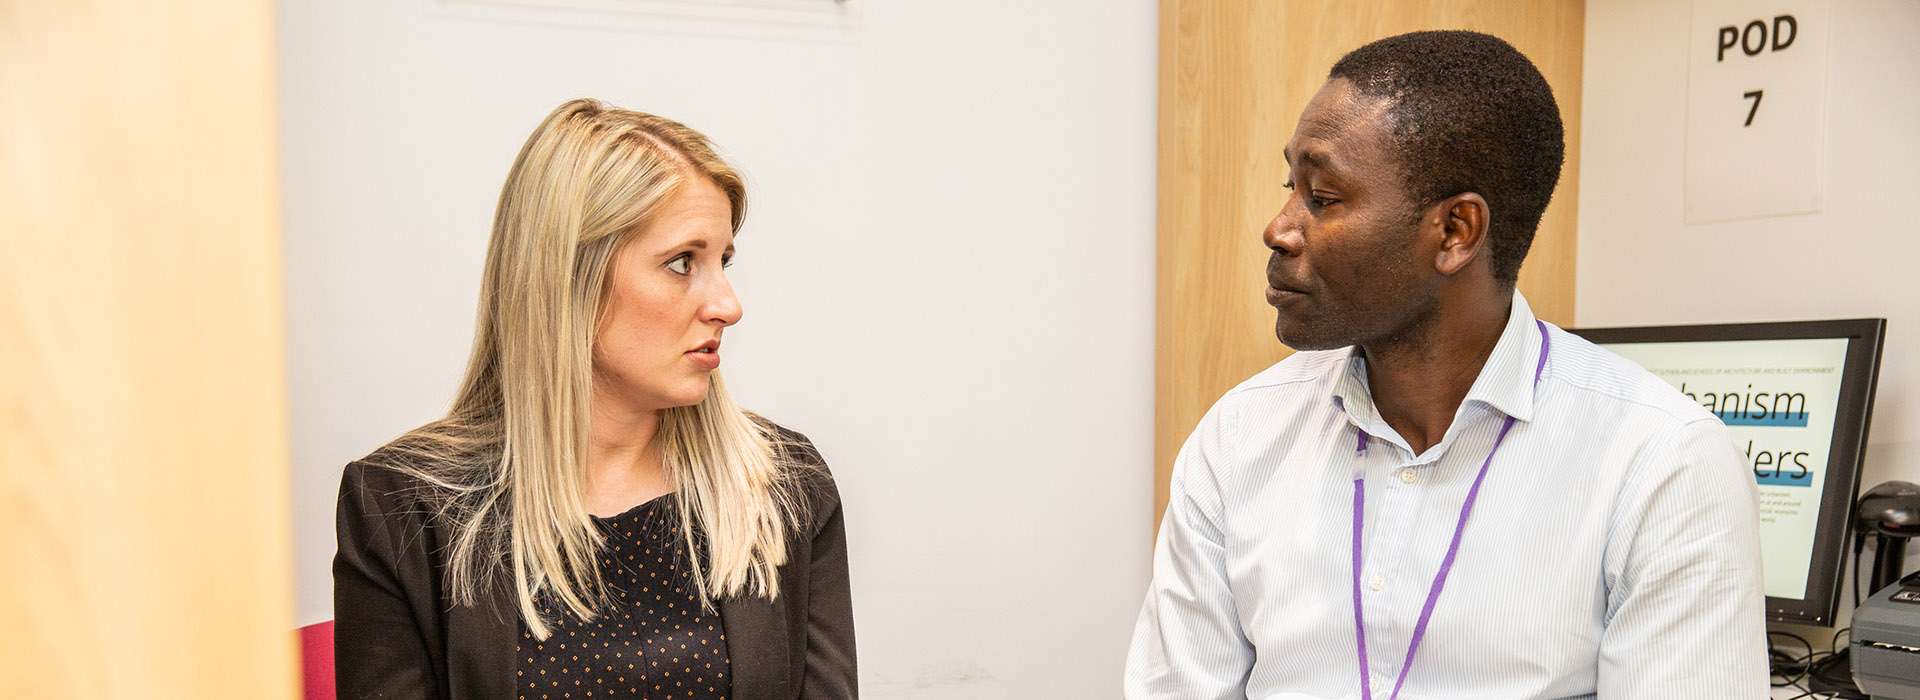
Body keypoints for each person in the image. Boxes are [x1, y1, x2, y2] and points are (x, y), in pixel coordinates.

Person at [1125, 31, 1765, 698]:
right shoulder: (1239, 438)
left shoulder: (1662, 464)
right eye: (1291, 186)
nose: (1279, 228)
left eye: (1322, 197)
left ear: (1455, 232)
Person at [334, 99, 857, 699]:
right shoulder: (403, 506)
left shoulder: (784, 485)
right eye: (682, 262)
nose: (728, 306)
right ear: (568, 279)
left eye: (723, 261)